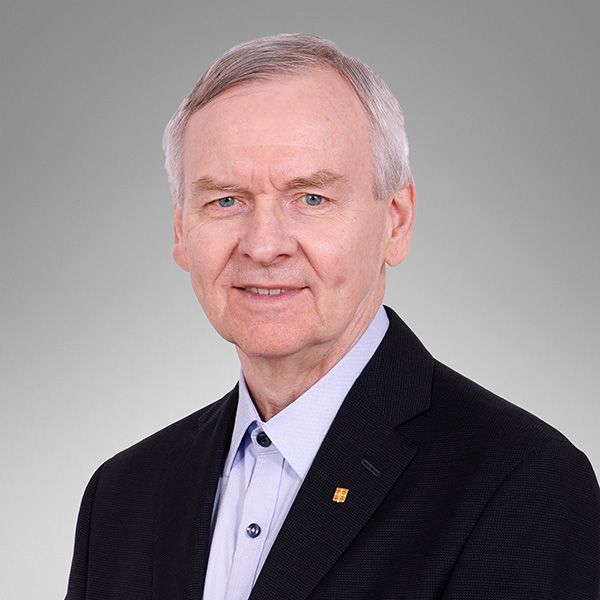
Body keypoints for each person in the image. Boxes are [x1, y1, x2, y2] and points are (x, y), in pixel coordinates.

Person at [65, 33, 600, 600]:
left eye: (311, 198)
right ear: (181, 232)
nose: (263, 246)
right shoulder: (122, 495)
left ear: (396, 221)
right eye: (225, 200)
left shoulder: (522, 484)